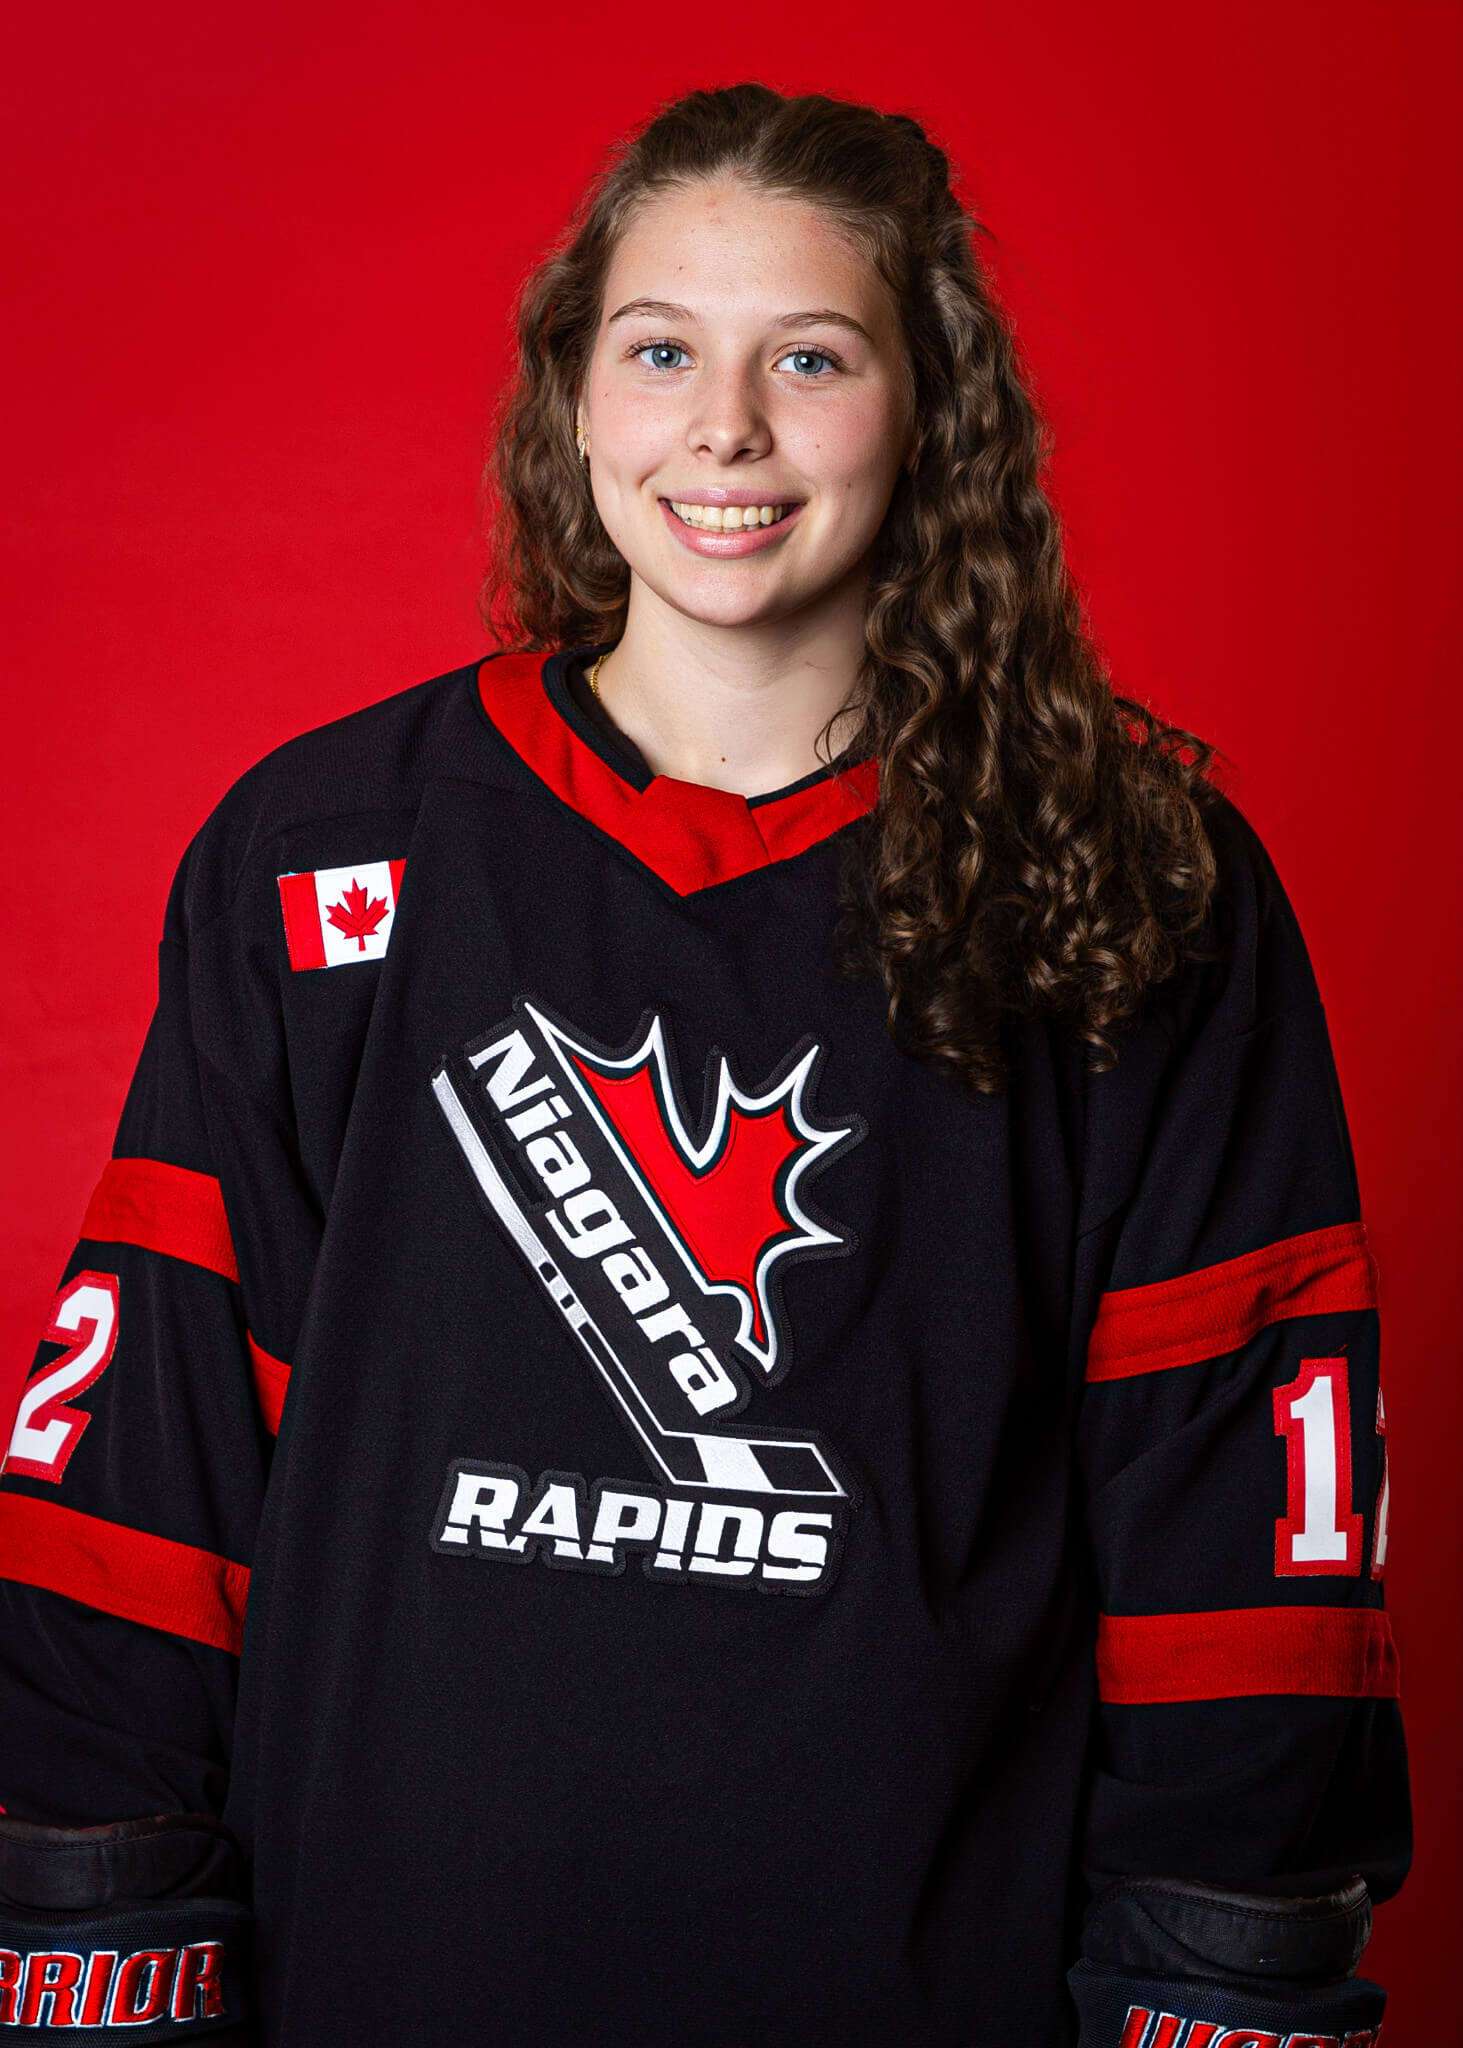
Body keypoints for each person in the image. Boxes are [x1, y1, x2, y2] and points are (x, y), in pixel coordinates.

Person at [0, 81, 1409, 2046]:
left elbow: (1238, 1486)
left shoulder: (1131, 877)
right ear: (575, 395)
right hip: (389, 1971)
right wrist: (94, 1909)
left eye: (810, 358)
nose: (724, 428)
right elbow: (151, 1444)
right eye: (661, 350)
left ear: (931, 409)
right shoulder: (322, 846)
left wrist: (1226, 1963)